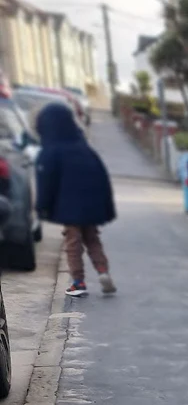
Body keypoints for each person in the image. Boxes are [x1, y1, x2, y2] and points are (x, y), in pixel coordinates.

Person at [34, 101, 116, 298]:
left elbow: (46, 183)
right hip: (91, 207)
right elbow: (103, 179)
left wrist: (42, 207)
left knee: (73, 243)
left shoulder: (51, 152)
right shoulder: (85, 150)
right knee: (93, 239)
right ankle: (103, 272)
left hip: (68, 208)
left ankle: (78, 282)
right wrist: (106, 207)